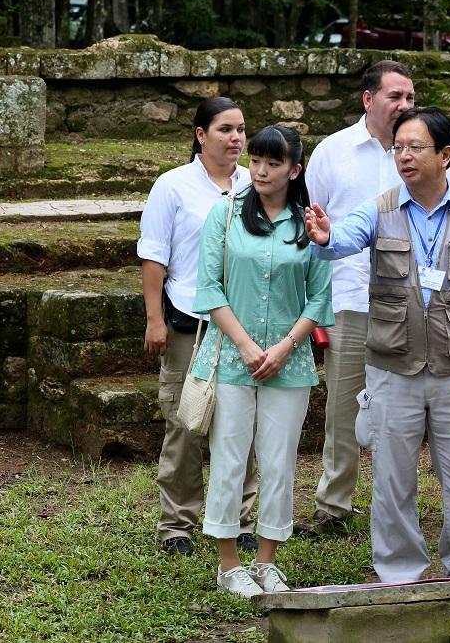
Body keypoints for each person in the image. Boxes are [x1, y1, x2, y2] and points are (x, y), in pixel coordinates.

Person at [305, 106, 450, 582]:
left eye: (415, 147)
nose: (403, 155)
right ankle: (399, 572)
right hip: (392, 367)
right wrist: (325, 236)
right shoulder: (378, 209)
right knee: (392, 478)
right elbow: (341, 239)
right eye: (398, 147)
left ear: (445, 155)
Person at [300, 60, 450, 536]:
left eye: (411, 97)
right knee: (344, 406)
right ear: (368, 99)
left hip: (415, 304)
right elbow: (313, 227)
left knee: (413, 406)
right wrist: (315, 304)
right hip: (350, 298)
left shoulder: (427, 151)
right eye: (395, 96)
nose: (405, 105)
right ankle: (333, 505)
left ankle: (406, 504)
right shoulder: (333, 152)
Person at [192, 125, 333, 598]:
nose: (260, 170)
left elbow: (320, 297)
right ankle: (228, 563)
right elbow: (209, 288)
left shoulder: (308, 223)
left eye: (273, 163)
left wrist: (286, 346)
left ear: (294, 170)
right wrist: (248, 346)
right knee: (229, 459)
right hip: (233, 359)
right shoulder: (226, 213)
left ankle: (266, 561)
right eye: (255, 160)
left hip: (289, 362)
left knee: (279, 462)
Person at [138, 96, 258, 556]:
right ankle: (176, 524)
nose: (236, 138)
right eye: (225, 129)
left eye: (241, 129)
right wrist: (154, 319)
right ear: (200, 134)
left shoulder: (254, 183)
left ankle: (240, 518)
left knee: (241, 426)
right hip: (190, 322)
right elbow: (154, 256)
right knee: (185, 424)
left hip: (245, 324)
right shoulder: (172, 186)